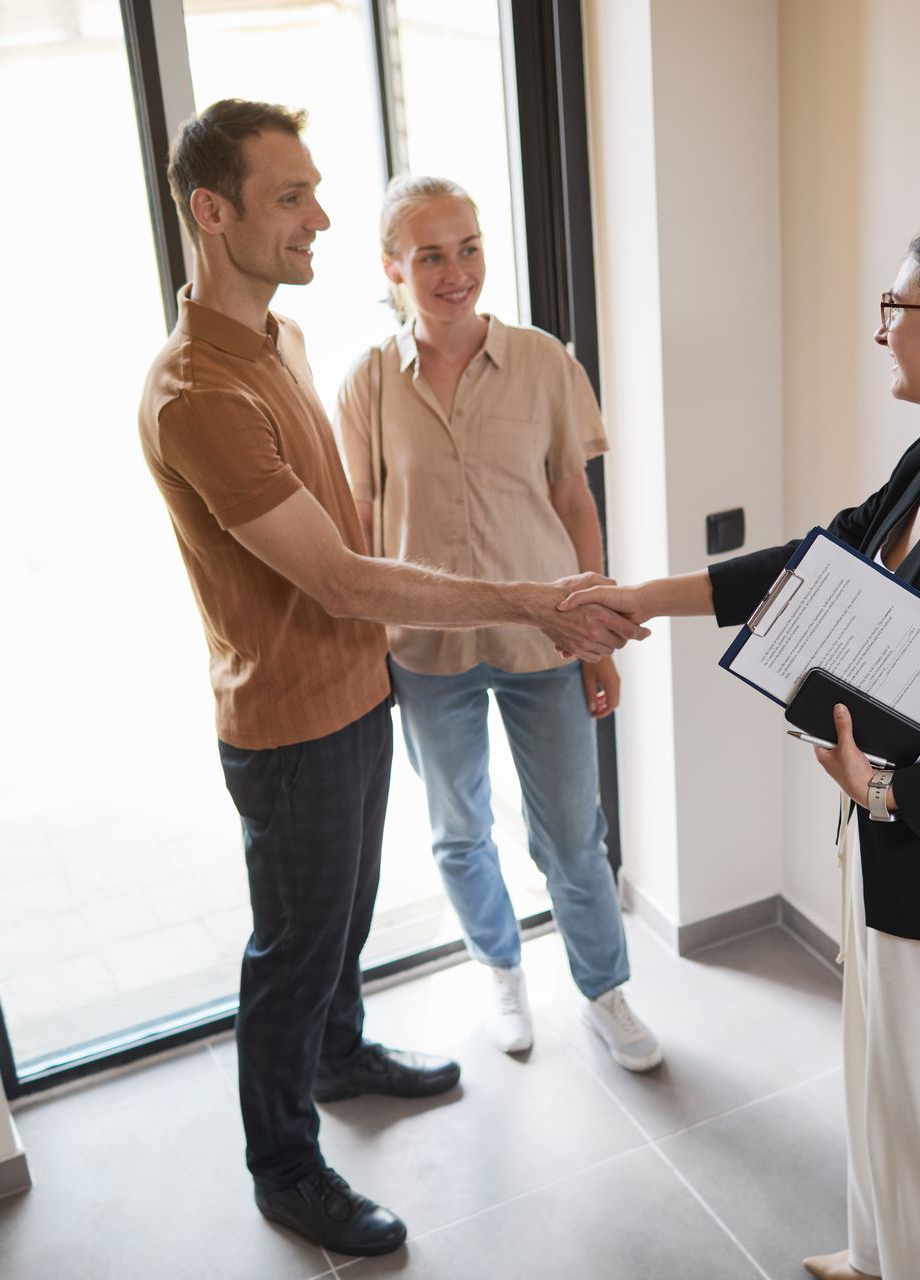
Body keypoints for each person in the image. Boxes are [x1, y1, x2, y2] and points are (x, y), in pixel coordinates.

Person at [136, 99, 647, 1259]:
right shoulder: (200, 393)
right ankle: (287, 1165)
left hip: (359, 693)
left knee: (346, 917)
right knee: (295, 947)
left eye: (316, 191)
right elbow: (345, 572)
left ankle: (343, 1049)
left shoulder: (280, 343)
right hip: (294, 717)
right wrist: (532, 599)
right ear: (213, 215)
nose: (316, 214)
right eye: (290, 197)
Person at [562, 213, 920, 1280]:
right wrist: (644, 598)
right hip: (885, 827)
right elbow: (817, 563)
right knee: (879, 1079)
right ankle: (876, 1254)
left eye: (892, 310)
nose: (880, 332)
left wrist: (891, 796)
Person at [333, 175, 661, 1071]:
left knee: (571, 833)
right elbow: (360, 521)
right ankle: (501, 971)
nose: (456, 272)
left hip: (543, 640)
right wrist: (366, 647)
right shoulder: (366, 382)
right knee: (459, 830)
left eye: (469, 247)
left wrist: (596, 633)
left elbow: (571, 499)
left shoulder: (545, 363)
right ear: (393, 268)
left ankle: (605, 990)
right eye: (431, 255)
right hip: (426, 652)